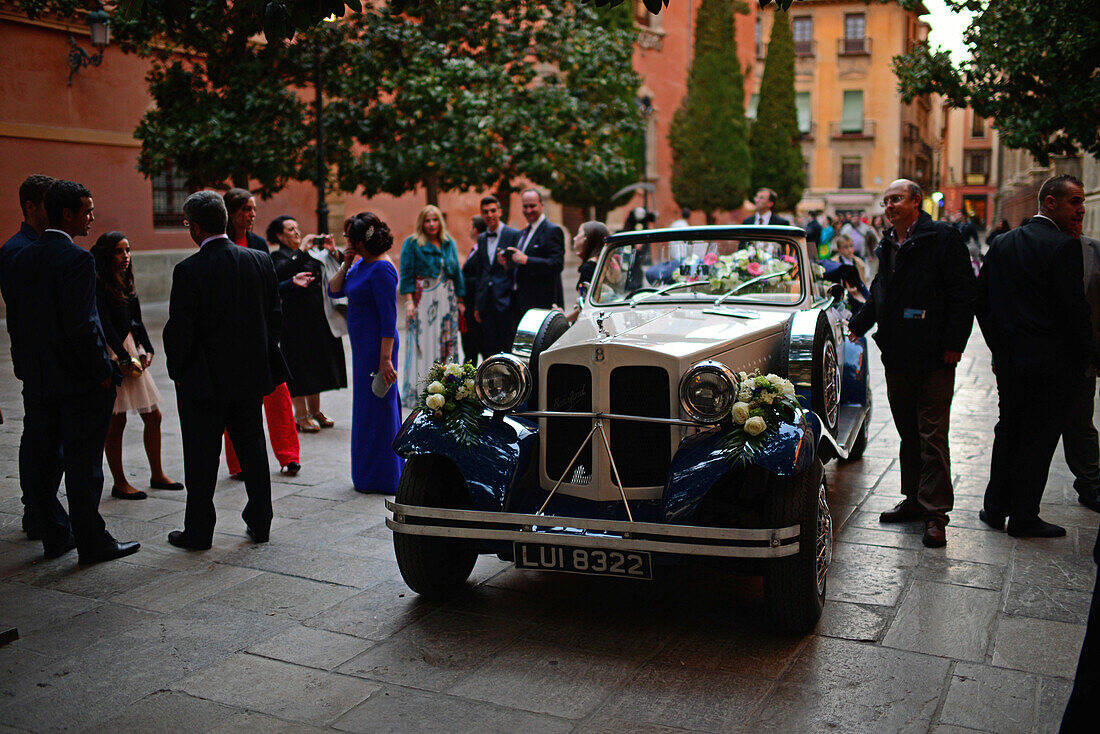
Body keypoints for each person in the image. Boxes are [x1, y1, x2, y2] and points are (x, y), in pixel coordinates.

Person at [6, 179, 140, 563]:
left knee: (44, 459)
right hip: (79, 384)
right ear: (67, 213)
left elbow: (20, 322)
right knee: (84, 466)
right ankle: (91, 542)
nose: (92, 217)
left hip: (40, 380)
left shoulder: (21, 256)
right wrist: (103, 372)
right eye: (87, 210)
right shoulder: (77, 259)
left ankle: (53, 534)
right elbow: (84, 325)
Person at [847, 179, 976, 548]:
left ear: (916, 202)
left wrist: (954, 343)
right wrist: (858, 325)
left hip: (934, 353)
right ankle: (914, 500)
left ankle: (936, 514)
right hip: (898, 352)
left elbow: (964, 292)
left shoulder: (943, 238)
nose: (889, 205)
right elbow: (880, 293)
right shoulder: (889, 242)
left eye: (897, 199)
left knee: (931, 435)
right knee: (908, 432)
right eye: (887, 200)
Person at [164, 191, 289, 549]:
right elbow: (274, 318)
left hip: (203, 383)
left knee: (201, 459)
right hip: (248, 377)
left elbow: (180, 331)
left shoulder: (188, 270)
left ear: (197, 228)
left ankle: (199, 531)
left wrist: (179, 370)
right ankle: (261, 521)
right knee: (252, 449)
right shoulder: (259, 261)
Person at [977, 175, 1095, 538]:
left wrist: (999, 348)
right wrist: (1087, 359)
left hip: (1011, 362)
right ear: (1050, 202)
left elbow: (983, 303)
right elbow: (1073, 314)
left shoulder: (1002, 243)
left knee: (1009, 430)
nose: (1081, 209)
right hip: (1051, 364)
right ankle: (1024, 516)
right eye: (1074, 201)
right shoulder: (1064, 247)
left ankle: (995, 509)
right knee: (1038, 438)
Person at [91, 231, 183, 500]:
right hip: (114, 351)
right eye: (120, 251)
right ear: (108, 254)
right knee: (116, 420)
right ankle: (120, 482)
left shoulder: (127, 280)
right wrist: (120, 356)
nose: (126, 256)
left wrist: (148, 348)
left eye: (128, 250)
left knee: (153, 415)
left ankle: (157, 473)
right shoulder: (99, 282)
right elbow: (103, 323)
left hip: (130, 348)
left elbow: (137, 319)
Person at [223, 189, 300, 476]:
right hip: (233, 336)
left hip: (262, 332)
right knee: (237, 401)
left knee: (278, 395)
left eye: (253, 209)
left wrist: (272, 329)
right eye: (245, 209)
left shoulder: (257, 243)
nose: (252, 215)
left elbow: (269, 288)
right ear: (231, 212)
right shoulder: (220, 242)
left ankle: (289, 455)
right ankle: (239, 464)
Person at [328, 212, 404, 494]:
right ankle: (366, 474)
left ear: (361, 241)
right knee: (365, 411)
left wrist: (385, 359)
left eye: (349, 237)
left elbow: (388, 319)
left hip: (378, 350)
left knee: (380, 410)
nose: (345, 240)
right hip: (362, 350)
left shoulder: (382, 269)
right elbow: (334, 290)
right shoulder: (360, 264)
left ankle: (385, 476)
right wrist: (346, 262)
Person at [0, 174, 56, 539]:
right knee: (39, 435)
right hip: (39, 360)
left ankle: (42, 506)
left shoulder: (41, 245)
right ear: (31, 207)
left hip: (47, 359)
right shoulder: (19, 249)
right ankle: (35, 509)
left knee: (48, 437)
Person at [267, 215, 347, 432]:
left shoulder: (313, 253)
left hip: (318, 318)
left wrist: (331, 250)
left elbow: (341, 267)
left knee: (317, 364)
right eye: (291, 229)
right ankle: (300, 415)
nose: (297, 232)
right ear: (279, 235)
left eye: (297, 227)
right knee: (299, 366)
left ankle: (315, 411)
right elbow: (278, 276)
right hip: (294, 321)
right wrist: (301, 251)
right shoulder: (277, 256)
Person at [398, 205, 466, 408]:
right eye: (427, 221)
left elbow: (457, 274)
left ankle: (448, 391)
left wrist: (461, 301)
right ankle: (424, 392)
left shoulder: (448, 243)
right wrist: (409, 302)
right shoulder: (411, 244)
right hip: (424, 301)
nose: (431, 224)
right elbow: (407, 274)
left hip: (448, 301)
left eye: (435, 220)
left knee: (446, 344)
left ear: (440, 222)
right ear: (422, 223)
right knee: (423, 346)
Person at [1062, 229, 1100, 514]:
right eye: (1072, 202)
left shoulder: (1094, 250)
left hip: (1083, 355)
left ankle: (1090, 483)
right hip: (1039, 356)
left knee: (1081, 424)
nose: (1080, 209)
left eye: (1081, 202)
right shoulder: (1029, 244)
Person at [469, 195, 521, 356]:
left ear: (499, 211)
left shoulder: (513, 234)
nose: (490, 215)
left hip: (506, 300)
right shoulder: (482, 237)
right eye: (485, 212)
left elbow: (517, 268)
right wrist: (478, 304)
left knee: (508, 345)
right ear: (482, 214)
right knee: (489, 347)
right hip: (486, 301)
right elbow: (481, 272)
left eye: (493, 211)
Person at [509, 189, 565, 316]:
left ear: (542, 205)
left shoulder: (552, 230)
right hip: (521, 303)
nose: (528, 210)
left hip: (543, 304)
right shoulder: (522, 233)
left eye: (532, 206)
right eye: (525, 206)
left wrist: (526, 260)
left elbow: (557, 264)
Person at [564, 221, 609, 323]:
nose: (575, 238)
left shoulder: (589, 268)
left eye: (578, 233)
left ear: (586, 239)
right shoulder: (608, 262)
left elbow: (584, 308)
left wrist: (562, 319)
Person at [460, 215, 487, 364]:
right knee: (469, 349)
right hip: (469, 307)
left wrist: (461, 281)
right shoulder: (474, 249)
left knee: (475, 347)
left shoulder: (481, 251)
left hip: (474, 307)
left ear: (476, 230)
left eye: (471, 227)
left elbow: (477, 278)